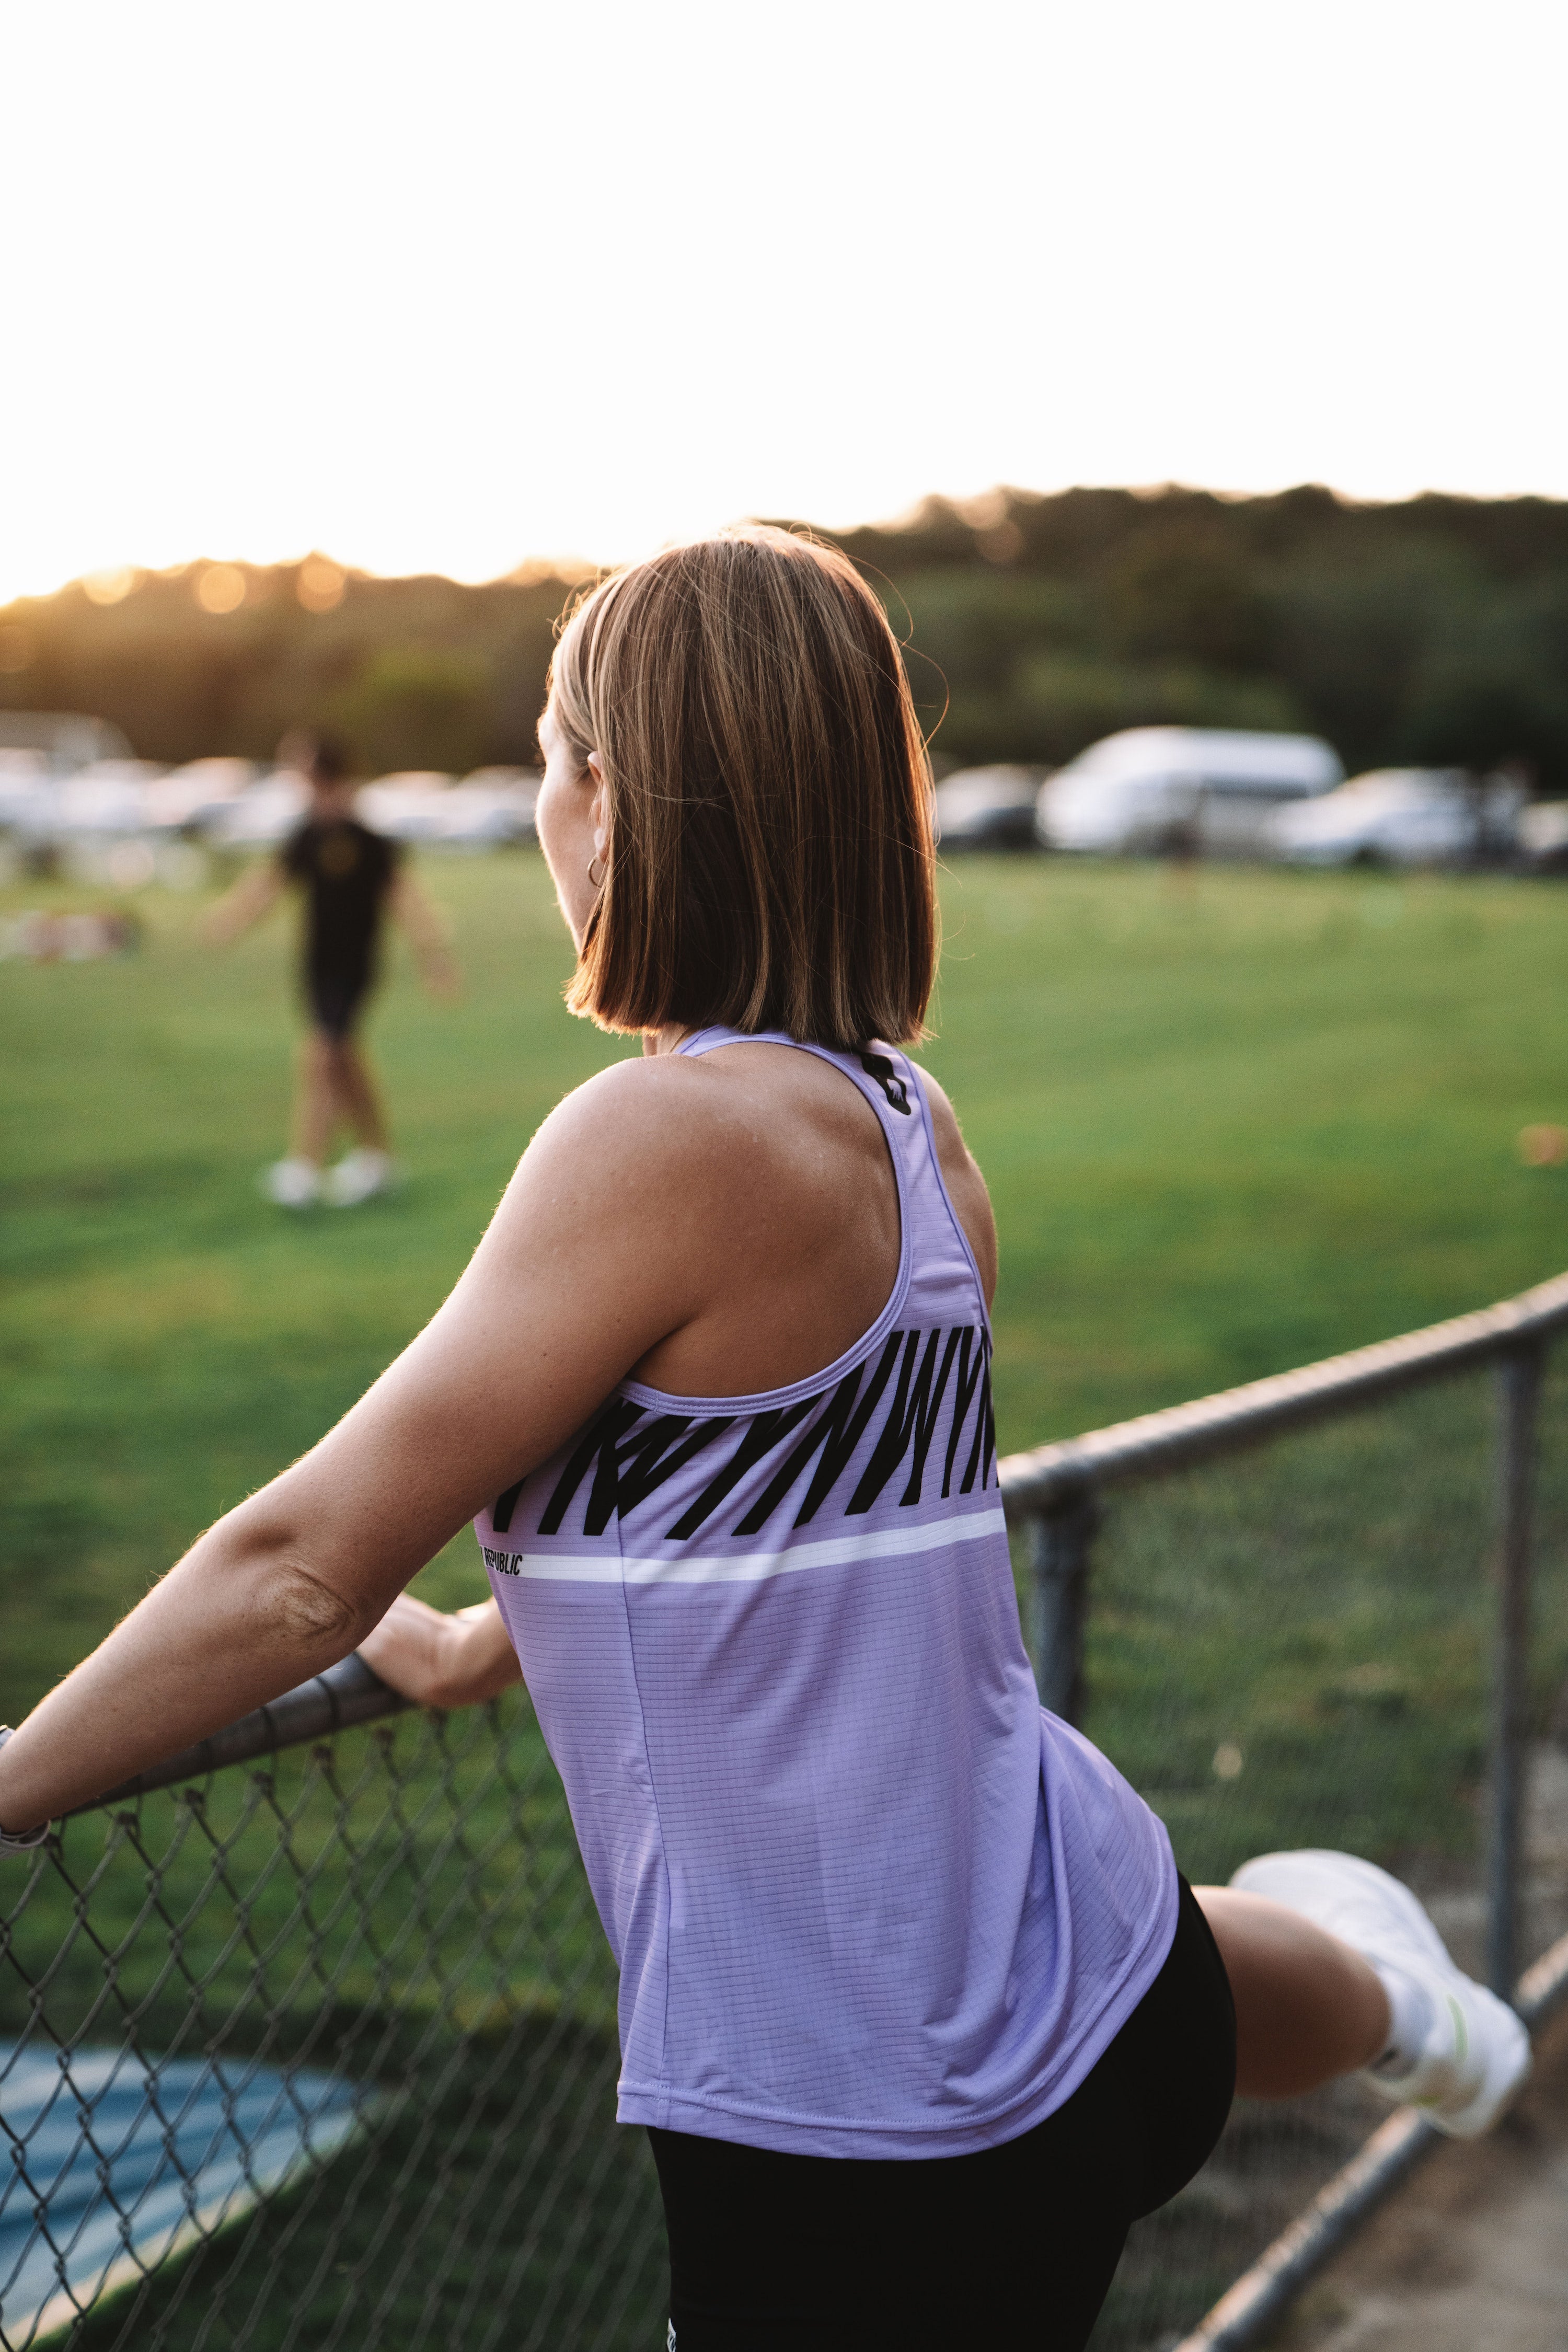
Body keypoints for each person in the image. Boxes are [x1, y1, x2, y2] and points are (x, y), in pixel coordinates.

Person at [0, 531, 1530, 2350]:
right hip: (1097, 1969)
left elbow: (303, 1563)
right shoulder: (911, 1115)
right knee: (1191, 1954)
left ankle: (1385, 1995)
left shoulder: (661, 1142)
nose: (543, 803)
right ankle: (1397, 2002)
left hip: (867, 2133)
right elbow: (806, 1490)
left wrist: (15, 1782)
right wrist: (510, 1630)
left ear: (621, 800)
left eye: (559, 752)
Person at [205, 732, 458, 1206]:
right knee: (343, 1062)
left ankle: (304, 1169)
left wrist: (435, 960)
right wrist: (230, 922)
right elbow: (270, 885)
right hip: (315, 967)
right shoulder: (306, 835)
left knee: (323, 1056)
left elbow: (405, 900)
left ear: (321, 775)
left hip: (356, 965)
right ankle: (377, 1158)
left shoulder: (369, 840)